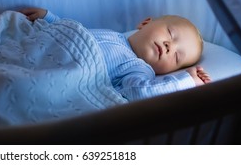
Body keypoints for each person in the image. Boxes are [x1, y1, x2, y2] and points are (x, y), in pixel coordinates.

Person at [20, 7, 211, 102]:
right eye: (170, 34)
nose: (170, 46)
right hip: (45, 49)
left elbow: (141, 92)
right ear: (145, 23)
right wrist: (49, 18)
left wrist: (186, 81)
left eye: (177, 57)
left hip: (59, 75)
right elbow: (79, 34)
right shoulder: (114, 34)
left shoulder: (139, 69)